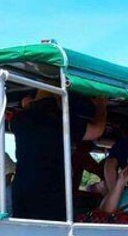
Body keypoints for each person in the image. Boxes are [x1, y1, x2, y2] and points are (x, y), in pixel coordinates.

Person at [9, 90, 107, 220]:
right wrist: (102, 105)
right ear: (58, 98)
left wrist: (28, 104)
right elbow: (97, 130)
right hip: (52, 194)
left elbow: (25, 109)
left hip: (23, 191)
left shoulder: (19, 120)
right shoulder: (62, 121)